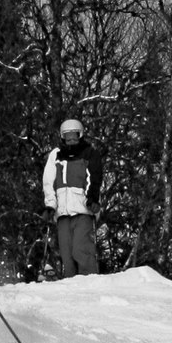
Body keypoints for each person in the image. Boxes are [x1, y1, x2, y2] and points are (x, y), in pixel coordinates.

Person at [42, 118, 103, 277]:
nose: (71, 141)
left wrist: (92, 199)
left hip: (83, 210)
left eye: (74, 138)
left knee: (80, 249)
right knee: (66, 254)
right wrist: (50, 206)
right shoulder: (56, 155)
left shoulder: (89, 153)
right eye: (67, 138)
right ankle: (71, 288)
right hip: (62, 213)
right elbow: (49, 182)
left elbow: (94, 178)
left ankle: (89, 281)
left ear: (80, 136)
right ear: (62, 138)